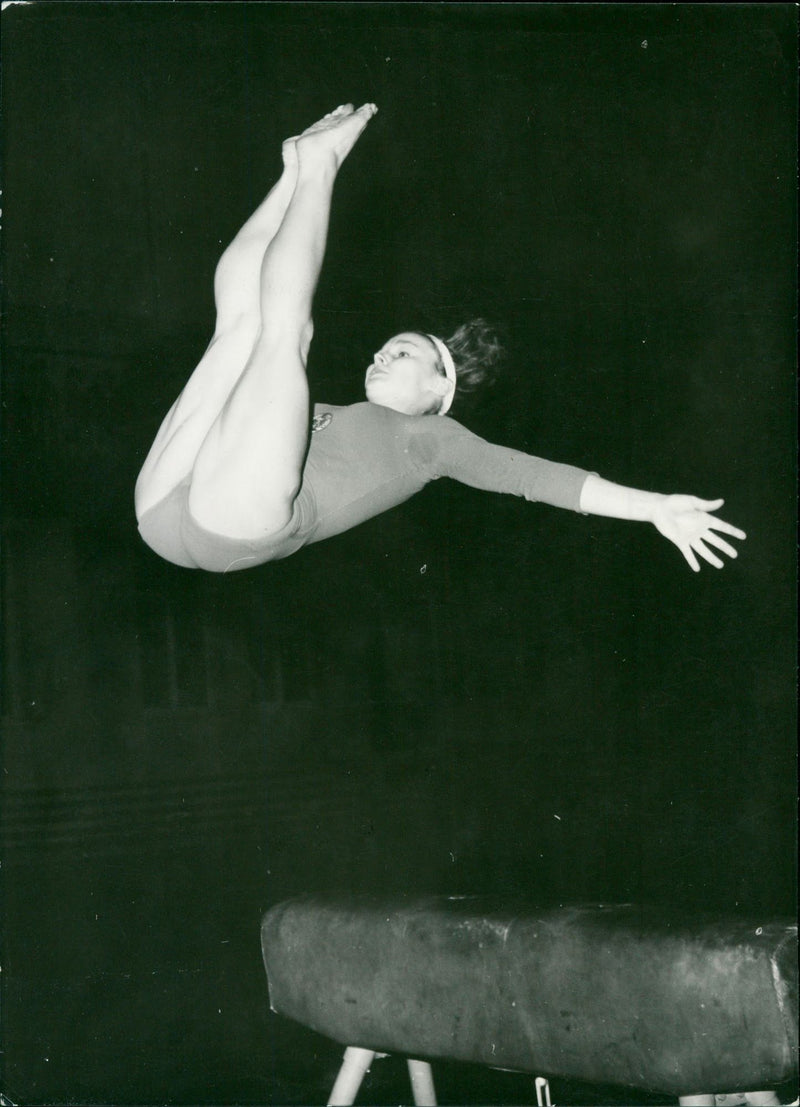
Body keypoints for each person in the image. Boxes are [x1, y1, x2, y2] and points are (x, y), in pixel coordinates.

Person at [135, 103, 746, 575]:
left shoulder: (430, 441)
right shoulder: (333, 416)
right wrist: (289, 180)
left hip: (235, 525)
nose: (381, 352)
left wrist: (654, 507)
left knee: (283, 335)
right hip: (162, 505)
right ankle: (299, 169)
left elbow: (535, 478)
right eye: (386, 346)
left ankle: (321, 165)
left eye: (403, 352)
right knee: (240, 331)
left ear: (439, 389)